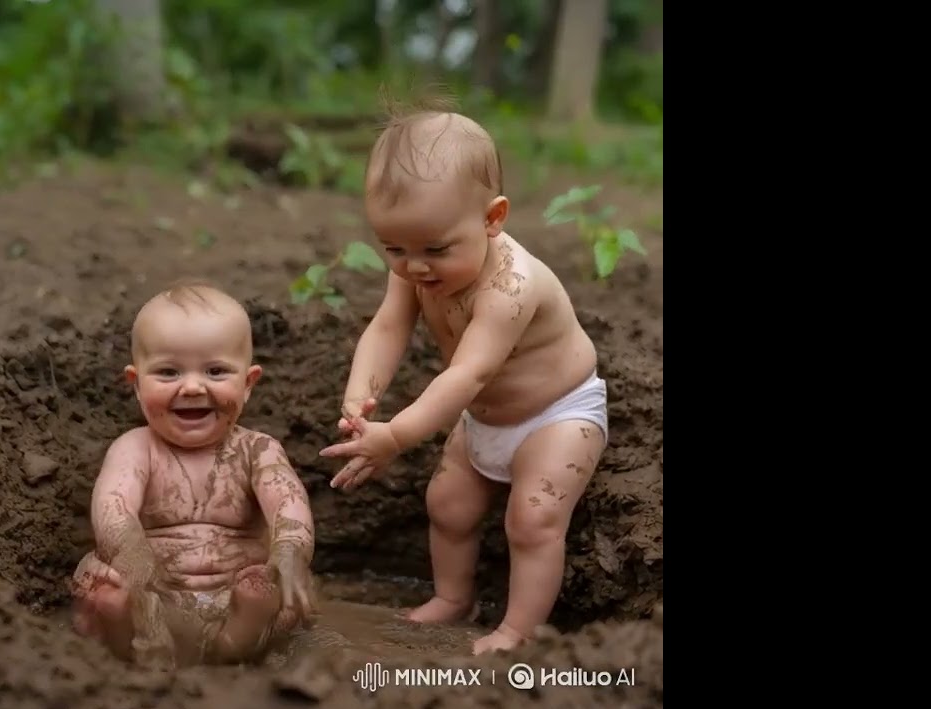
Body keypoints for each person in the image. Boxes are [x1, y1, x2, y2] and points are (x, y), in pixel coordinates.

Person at [319, 99, 609, 655]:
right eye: (394, 249)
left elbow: (470, 373)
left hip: (557, 415)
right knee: (447, 505)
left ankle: (518, 631)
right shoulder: (414, 265)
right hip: (484, 417)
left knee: (534, 519)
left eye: (434, 249)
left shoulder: (510, 289)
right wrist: (362, 393)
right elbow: (387, 329)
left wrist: (397, 436)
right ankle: (454, 598)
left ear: (492, 218)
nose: (414, 267)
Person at [71, 281, 318, 669]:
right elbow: (112, 506)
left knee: (279, 590)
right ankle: (138, 642)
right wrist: (135, 562)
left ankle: (237, 639)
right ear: (136, 386)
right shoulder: (135, 448)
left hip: (233, 592)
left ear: (248, 384)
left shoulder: (257, 449)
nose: (191, 386)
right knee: (99, 584)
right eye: (168, 372)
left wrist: (290, 551)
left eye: (216, 371)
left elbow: (288, 501)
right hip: (152, 595)